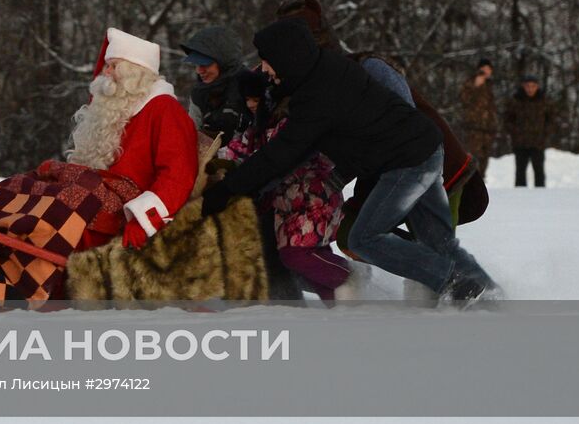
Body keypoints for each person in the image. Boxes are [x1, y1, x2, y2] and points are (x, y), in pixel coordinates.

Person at [201, 18, 498, 303]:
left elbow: (281, 153)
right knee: (439, 244)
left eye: (267, 60)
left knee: (364, 238)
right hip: (426, 148)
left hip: (409, 161)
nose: (264, 69)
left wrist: (226, 191)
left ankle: (459, 285)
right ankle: (492, 296)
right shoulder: (323, 72)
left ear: (286, 56)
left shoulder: (317, 95)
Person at [0, 28, 197, 302]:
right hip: (95, 185)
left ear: (135, 73)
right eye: (106, 65)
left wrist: (144, 221)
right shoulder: (119, 104)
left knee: (60, 208)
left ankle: (25, 284)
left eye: (112, 66)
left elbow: (179, 173)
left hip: (123, 202)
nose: (105, 73)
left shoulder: (165, 109)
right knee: (28, 185)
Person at [219, 70, 360, 302]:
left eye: (256, 99)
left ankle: (348, 276)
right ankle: (340, 306)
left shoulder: (289, 122)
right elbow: (238, 151)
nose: (251, 104)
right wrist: (215, 158)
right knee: (308, 260)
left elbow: (277, 159)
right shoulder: (258, 127)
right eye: (246, 99)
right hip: (286, 204)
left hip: (312, 197)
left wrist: (251, 172)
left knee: (296, 255)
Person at [179, 25, 249, 144]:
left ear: (224, 62)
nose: (199, 71)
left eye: (205, 64)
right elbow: (190, 136)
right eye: (196, 65)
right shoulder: (199, 94)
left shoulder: (249, 85)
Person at [504, 75, 554, 188]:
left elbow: (551, 119)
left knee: (539, 171)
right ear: (523, 86)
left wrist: (545, 134)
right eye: (528, 86)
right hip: (520, 143)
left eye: (533, 86)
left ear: (537, 86)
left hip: (538, 142)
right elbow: (507, 120)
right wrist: (515, 133)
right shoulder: (515, 100)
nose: (530, 89)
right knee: (520, 172)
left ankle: (541, 197)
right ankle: (520, 198)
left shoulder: (544, 100)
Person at [458, 59, 499, 177]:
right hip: (473, 128)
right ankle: (471, 182)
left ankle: (481, 181)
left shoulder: (490, 86)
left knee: (484, 159)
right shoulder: (470, 83)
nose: (486, 71)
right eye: (484, 68)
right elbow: (463, 100)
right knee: (474, 157)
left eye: (488, 69)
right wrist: (475, 85)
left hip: (488, 128)